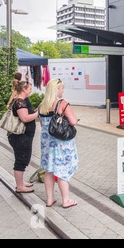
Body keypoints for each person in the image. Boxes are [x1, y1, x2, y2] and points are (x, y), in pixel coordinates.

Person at [38, 79, 79, 208]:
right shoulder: (62, 104)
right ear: (56, 90)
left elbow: (42, 124)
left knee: (48, 171)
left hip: (46, 143)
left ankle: (49, 199)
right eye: (61, 88)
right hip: (60, 142)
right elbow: (73, 121)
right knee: (62, 170)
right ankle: (66, 200)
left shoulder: (41, 105)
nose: (62, 91)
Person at [7, 80, 38, 193]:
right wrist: (38, 113)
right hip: (21, 137)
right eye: (29, 89)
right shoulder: (20, 102)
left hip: (21, 137)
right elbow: (25, 118)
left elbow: (27, 114)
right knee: (21, 160)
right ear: (24, 89)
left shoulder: (20, 101)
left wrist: (35, 111)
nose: (30, 91)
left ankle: (20, 182)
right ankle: (20, 186)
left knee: (21, 159)